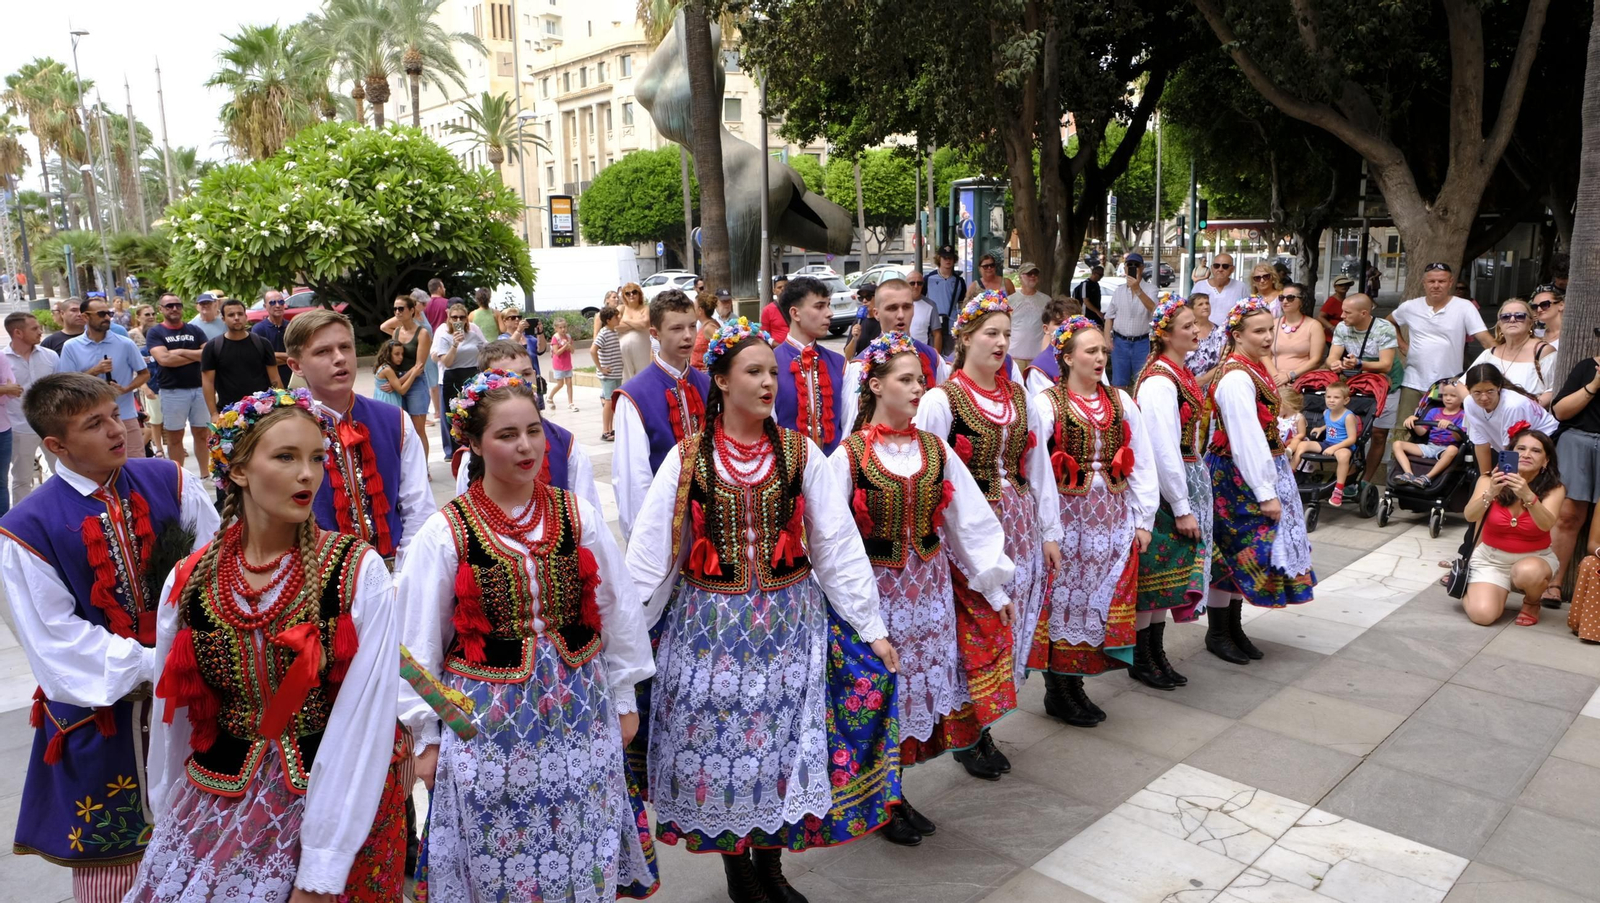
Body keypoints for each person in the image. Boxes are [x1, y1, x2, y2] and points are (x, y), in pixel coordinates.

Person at [625, 318, 899, 900]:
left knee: (780, 745)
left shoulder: (800, 452)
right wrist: (626, 640)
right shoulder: (689, 458)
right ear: (722, 381)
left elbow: (835, 545)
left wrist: (869, 626)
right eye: (754, 372)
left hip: (788, 626)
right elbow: (651, 556)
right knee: (720, 749)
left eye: (773, 371)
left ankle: (771, 866)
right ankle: (738, 870)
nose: (769, 382)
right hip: (709, 632)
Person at [126, 388, 397, 901]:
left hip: (329, 798)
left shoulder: (356, 570)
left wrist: (322, 865)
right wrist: (168, 807)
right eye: (286, 457)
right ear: (238, 471)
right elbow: (174, 715)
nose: (307, 475)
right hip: (215, 794)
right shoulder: (191, 577)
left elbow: (366, 716)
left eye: (316, 458)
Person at [400, 370, 659, 902]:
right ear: (474, 444)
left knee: (582, 832)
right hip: (488, 720)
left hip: (580, 707)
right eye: (507, 435)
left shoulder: (575, 514)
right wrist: (427, 738)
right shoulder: (446, 531)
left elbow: (616, 610)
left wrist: (623, 695)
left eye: (534, 431)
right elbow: (416, 647)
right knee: (503, 844)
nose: (526, 446)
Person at [0, 373, 217, 901]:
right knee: (113, 866)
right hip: (101, 714)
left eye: (115, 415)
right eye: (94, 424)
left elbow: (216, 564)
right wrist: (156, 661)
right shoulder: (27, 526)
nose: (117, 430)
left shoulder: (169, 480)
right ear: (56, 446)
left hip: (193, 696)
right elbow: (55, 638)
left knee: (206, 844)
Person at [834, 331, 1013, 845]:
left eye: (921, 380)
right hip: (879, 599)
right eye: (906, 380)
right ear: (875, 385)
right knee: (883, 694)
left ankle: (895, 794)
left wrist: (994, 588)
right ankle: (883, 800)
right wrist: (855, 615)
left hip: (929, 596)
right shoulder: (848, 456)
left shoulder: (935, 449)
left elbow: (968, 522)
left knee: (914, 691)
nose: (918, 389)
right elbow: (831, 540)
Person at [915, 292, 1060, 778]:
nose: (1000, 343)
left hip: (1019, 525)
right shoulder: (940, 400)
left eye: (1006, 334)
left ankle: (984, 723)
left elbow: (1038, 467)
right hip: (965, 536)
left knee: (1006, 628)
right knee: (973, 632)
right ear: (965, 337)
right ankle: (967, 733)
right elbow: (929, 473)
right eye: (990, 333)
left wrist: (1049, 530)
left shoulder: (1019, 397)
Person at [1029, 314, 1155, 725]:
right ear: (1067, 358)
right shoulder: (1046, 404)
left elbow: (1142, 461)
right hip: (1068, 520)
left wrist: (1143, 518)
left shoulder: (1120, 401)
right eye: (1091, 351)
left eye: (1103, 350)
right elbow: (1036, 469)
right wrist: (1046, 528)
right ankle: (1058, 689)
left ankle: (1076, 683)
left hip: (1111, 518)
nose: (1100, 358)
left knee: (1095, 598)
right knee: (1063, 600)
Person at [1205, 298, 1316, 664]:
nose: (1268, 337)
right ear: (1237, 335)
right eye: (1259, 331)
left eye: (1271, 329)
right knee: (1233, 553)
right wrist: (1266, 492)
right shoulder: (1236, 377)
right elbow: (1246, 439)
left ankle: (1233, 627)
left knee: (1245, 553)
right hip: (1236, 475)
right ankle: (1218, 632)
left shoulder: (1253, 368)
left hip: (1251, 472)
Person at [285, 309, 436, 566]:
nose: (339, 358)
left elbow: (418, 507)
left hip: (395, 570)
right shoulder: (283, 430)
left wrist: (404, 573)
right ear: (296, 365)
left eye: (345, 347)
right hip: (317, 575)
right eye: (323, 351)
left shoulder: (394, 420)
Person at [1133, 296, 1214, 690]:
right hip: (1165, 488)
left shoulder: (1178, 373)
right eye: (1186, 326)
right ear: (1165, 334)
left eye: (1195, 324)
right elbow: (1162, 447)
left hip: (1184, 478)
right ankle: (1142, 657)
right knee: (1155, 575)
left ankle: (1154, 653)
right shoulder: (1159, 382)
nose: (1196, 331)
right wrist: (1181, 506)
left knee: (1167, 576)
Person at [450, 340, 604, 515]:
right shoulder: (475, 452)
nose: (520, 382)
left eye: (526, 373)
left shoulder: (565, 443)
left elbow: (587, 510)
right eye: (507, 376)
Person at [612, 290, 709, 537]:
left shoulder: (708, 385)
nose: (688, 335)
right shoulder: (635, 395)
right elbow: (633, 477)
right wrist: (643, 535)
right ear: (655, 333)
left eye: (692, 326)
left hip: (711, 519)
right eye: (676, 328)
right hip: (663, 520)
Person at [1461, 428, 1563, 627]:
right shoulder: (1489, 480)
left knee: (1528, 571)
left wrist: (1528, 495)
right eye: (1521, 449)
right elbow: (1470, 515)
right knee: (1483, 616)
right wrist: (1490, 493)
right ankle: (1478, 590)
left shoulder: (1554, 489)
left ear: (1546, 460)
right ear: (1510, 453)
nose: (1526, 454)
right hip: (1491, 559)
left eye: (1536, 451)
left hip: (1535, 559)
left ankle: (1532, 602)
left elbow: (1546, 525)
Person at [1390, 262, 1495, 427]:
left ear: (1450, 282)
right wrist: (1402, 345)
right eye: (1431, 281)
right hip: (1413, 381)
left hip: (1449, 384)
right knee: (1404, 429)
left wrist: (1504, 362)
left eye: (1442, 281)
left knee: (1444, 432)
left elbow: (1485, 340)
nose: (1436, 285)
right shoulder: (1410, 307)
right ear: (1424, 283)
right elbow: (1389, 322)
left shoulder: (1464, 307)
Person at [840, 278, 948, 429]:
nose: (901, 315)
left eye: (906, 307)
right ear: (876, 313)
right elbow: (851, 424)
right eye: (892, 308)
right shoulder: (860, 365)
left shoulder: (933, 358)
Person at [1323, 293, 1403, 484]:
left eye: (1347, 312)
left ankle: (1366, 480)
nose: (1342, 316)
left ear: (1364, 313)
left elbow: (1386, 365)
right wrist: (1334, 364)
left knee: (1378, 434)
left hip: (1386, 385)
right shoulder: (1342, 327)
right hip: (1358, 383)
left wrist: (1359, 364)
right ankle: (1349, 476)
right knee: (1355, 430)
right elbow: (1331, 357)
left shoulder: (1384, 328)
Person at [59, 296, 150, 460]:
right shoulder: (71, 347)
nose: (107, 318)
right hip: (91, 420)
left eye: (109, 313)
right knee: (100, 465)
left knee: (136, 464)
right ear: (85, 317)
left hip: (125, 416)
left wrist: (126, 389)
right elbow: (66, 385)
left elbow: (144, 373)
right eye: (101, 314)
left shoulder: (125, 343)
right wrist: (95, 371)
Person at [772, 276, 849, 457]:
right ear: (795, 313)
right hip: (786, 466)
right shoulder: (770, 363)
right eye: (819, 306)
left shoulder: (840, 364)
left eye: (828, 305)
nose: (829, 313)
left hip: (833, 465)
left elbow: (849, 423)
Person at [143, 293, 213, 473]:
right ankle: (179, 477)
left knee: (202, 434)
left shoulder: (194, 330)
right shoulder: (156, 332)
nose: (174, 308)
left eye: (177, 305)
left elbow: (208, 355)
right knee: (175, 437)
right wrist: (194, 355)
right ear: (161, 309)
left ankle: (205, 475)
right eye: (169, 306)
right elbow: (164, 359)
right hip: (172, 391)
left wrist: (180, 352)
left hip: (199, 389)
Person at [1462, 363, 1559, 480]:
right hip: (1517, 448)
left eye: (1490, 391)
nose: (1484, 398)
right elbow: (1480, 441)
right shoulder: (1469, 403)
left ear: (1499, 387)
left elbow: (1511, 451)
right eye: (1477, 392)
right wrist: (1485, 478)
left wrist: (1503, 484)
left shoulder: (1513, 406)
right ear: (1468, 389)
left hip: (1549, 441)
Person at [5, 313, 58, 502]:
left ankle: (61, 511)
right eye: (34, 328)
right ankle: (22, 518)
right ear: (18, 333)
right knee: (22, 479)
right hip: (19, 426)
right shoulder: (3, 360)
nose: (40, 331)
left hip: (52, 425)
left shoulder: (50, 356)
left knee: (62, 472)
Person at [200, 299, 281, 421]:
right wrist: (214, 414)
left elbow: (275, 378)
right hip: (229, 414)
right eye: (231, 315)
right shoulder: (213, 347)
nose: (236, 318)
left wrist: (281, 406)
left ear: (246, 317)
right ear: (223, 319)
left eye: (240, 314)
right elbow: (208, 383)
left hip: (263, 412)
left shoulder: (262, 344)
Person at [1470, 298, 1559, 406]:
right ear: (1500, 324)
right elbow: (1462, 385)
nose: (1512, 320)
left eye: (1520, 316)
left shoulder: (1543, 352)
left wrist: (1528, 410)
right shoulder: (1490, 353)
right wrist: (1476, 406)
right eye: (1505, 317)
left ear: (1530, 323)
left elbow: (1553, 389)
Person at [432, 302, 488, 455]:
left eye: (462, 317)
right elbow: (447, 362)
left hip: (472, 375)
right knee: (455, 416)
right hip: (453, 377)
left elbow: (485, 350)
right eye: (454, 317)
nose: (458, 320)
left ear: (466, 319)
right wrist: (455, 345)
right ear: (449, 319)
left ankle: (474, 447)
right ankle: (456, 451)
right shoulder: (444, 336)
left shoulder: (473, 335)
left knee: (474, 414)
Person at [1293, 382, 1360, 506]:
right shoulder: (1326, 412)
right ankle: (1290, 474)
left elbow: (1352, 439)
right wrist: (1321, 428)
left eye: (1336, 397)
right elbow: (1331, 425)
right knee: (1302, 445)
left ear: (1346, 400)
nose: (1331, 400)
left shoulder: (1348, 417)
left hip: (1343, 445)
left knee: (1344, 456)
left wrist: (1334, 448)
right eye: (1328, 397)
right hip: (1327, 443)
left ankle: (1338, 490)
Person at [385, 293, 434, 458]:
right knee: (402, 428)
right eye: (395, 309)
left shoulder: (422, 333)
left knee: (418, 429)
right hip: (398, 380)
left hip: (416, 383)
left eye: (401, 309)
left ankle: (423, 467)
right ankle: (407, 465)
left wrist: (397, 382)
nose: (397, 312)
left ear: (412, 310)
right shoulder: (396, 332)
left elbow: (419, 366)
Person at [1393, 382, 1468, 487]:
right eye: (1445, 395)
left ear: (1462, 398)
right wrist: (1414, 421)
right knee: (1397, 444)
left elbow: (1460, 438)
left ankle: (1427, 477)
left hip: (1446, 449)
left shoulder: (1463, 415)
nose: (1448, 398)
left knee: (1453, 449)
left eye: (1453, 395)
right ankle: (1408, 474)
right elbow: (1421, 432)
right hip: (1430, 446)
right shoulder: (1434, 411)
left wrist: (1451, 426)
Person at [1104, 252, 1157, 388]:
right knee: (1118, 383)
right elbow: (1109, 317)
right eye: (1129, 264)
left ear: (1142, 268)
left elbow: (1155, 311)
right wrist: (1107, 339)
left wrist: (1137, 289)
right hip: (1120, 343)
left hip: (1142, 343)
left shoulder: (1151, 289)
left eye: (1136, 265)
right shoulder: (1118, 291)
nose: (1133, 267)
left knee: (1143, 383)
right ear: (1125, 268)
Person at [1272, 283, 1325, 386]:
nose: (1285, 301)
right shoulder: (1273, 324)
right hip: (1274, 380)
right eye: (1282, 298)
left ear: (1302, 301)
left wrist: (1289, 376)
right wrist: (1277, 377)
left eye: (1290, 298)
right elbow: (1264, 355)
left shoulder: (1314, 326)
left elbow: (1316, 360)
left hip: (1301, 381)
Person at [925, 246, 967, 353]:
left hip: (951, 326)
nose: (948, 261)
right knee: (933, 356)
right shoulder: (928, 278)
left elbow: (962, 304)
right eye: (945, 258)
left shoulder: (959, 281)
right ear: (939, 259)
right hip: (932, 326)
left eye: (950, 258)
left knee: (950, 358)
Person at [1007, 261, 1048, 369]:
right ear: (1020, 277)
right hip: (1014, 355)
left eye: (1035, 273)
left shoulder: (1046, 300)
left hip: (1037, 357)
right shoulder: (1010, 300)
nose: (1033, 276)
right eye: (1029, 274)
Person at [251, 289, 294, 387]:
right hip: (267, 382)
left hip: (291, 379)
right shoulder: (258, 329)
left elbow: (298, 354)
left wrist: (271, 357)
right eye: (272, 302)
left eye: (281, 302)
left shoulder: (291, 327)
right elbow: (259, 358)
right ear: (265, 306)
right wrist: (288, 356)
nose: (278, 305)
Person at [595, 307, 624, 441]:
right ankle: (605, 430)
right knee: (608, 401)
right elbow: (593, 350)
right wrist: (601, 368)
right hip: (609, 375)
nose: (618, 319)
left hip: (616, 374)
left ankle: (610, 428)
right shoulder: (604, 333)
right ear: (608, 320)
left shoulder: (614, 332)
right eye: (616, 317)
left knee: (612, 401)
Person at [1187, 292, 1228, 384]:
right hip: (1187, 384)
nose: (1205, 307)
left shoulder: (1220, 332)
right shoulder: (1186, 331)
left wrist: (1204, 379)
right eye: (1200, 304)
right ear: (1191, 309)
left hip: (1212, 383)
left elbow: (1224, 361)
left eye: (1207, 303)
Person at [616, 282, 653, 380]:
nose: (631, 295)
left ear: (639, 294)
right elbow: (616, 326)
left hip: (643, 348)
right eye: (627, 293)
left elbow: (644, 324)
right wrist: (637, 323)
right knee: (627, 377)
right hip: (623, 350)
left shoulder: (645, 308)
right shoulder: (621, 309)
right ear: (624, 296)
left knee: (643, 374)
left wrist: (626, 320)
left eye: (634, 292)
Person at [1202, 254, 1249, 328]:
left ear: (1233, 269)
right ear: (1212, 268)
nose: (1220, 269)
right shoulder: (1199, 286)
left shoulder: (1241, 287)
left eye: (1225, 266)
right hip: (1205, 332)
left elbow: (1247, 313)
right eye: (1216, 266)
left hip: (1232, 332)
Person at [372, 339, 416, 409]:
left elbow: (396, 382)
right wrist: (414, 374)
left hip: (380, 399)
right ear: (388, 354)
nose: (401, 357)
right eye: (397, 354)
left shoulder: (382, 366)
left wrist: (411, 371)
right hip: (388, 401)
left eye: (402, 354)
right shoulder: (387, 370)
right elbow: (402, 390)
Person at [548, 316, 577, 411]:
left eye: (564, 327)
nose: (563, 329)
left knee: (569, 383)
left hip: (567, 364)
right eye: (560, 327)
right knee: (560, 384)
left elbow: (572, 351)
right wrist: (564, 346)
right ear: (556, 328)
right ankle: (550, 397)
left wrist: (569, 346)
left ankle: (571, 403)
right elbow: (556, 352)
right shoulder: (555, 338)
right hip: (559, 365)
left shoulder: (568, 337)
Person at [843, 281, 879, 357]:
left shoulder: (884, 321)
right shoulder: (859, 321)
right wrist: (854, 339)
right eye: (861, 298)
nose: (864, 301)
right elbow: (848, 356)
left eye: (868, 297)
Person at [692, 291, 718, 371]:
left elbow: (722, 349)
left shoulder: (709, 328)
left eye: (694, 308)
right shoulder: (704, 325)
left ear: (700, 310)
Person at [908, 272, 935, 344]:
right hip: (899, 348)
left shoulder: (930, 305)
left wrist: (935, 352)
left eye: (919, 283)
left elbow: (937, 333)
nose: (916, 286)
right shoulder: (898, 303)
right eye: (912, 283)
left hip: (922, 349)